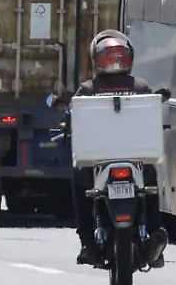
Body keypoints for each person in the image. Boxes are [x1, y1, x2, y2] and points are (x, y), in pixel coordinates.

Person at [64, 30, 158, 266]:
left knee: (78, 180)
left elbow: (70, 118)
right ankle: (155, 232)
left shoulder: (87, 90)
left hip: (100, 163)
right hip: (136, 160)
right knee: (152, 184)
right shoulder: (141, 87)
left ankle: (86, 241)